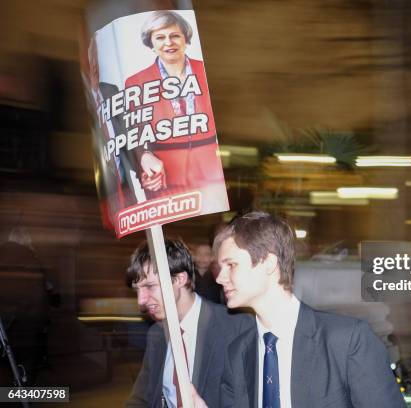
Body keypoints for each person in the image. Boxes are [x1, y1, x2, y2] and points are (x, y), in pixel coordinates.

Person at [210, 211, 405, 408]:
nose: (220, 278)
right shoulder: (238, 353)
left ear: (268, 263)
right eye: (220, 267)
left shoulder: (346, 341)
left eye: (231, 265)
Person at [125, 239, 253, 408]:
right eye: (137, 290)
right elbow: (141, 398)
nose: (141, 300)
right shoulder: (156, 334)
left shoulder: (236, 328)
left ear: (179, 279)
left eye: (149, 286)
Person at [124, 10, 226, 203]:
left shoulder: (206, 72)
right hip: (165, 179)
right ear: (151, 43)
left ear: (185, 39)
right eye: (160, 37)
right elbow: (134, 133)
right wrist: (144, 157)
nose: (168, 42)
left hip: (213, 177)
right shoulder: (136, 82)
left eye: (175, 36)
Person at [88, 35, 136, 227]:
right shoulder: (88, 101)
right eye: (94, 58)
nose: (97, 65)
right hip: (105, 187)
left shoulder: (111, 90)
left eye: (102, 59)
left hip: (124, 181)